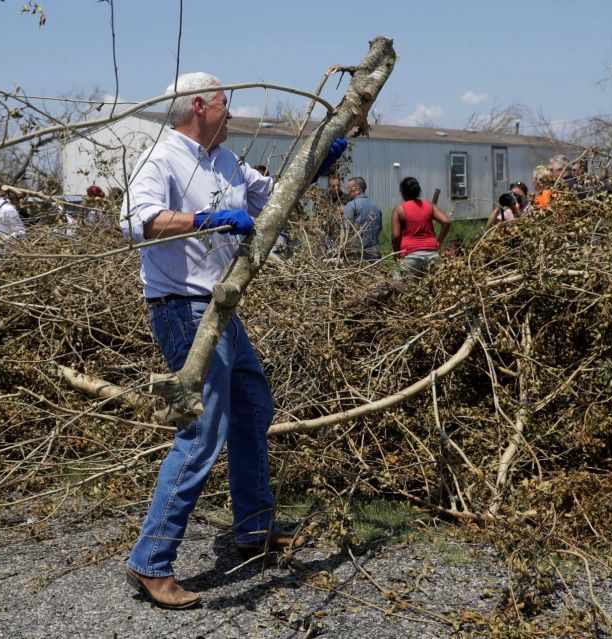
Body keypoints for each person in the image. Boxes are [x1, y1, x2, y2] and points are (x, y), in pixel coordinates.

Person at [119, 70, 344, 610]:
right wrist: (205, 218)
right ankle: (150, 561)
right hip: (182, 308)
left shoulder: (224, 158)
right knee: (202, 431)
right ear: (200, 105)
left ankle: (252, 528)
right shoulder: (163, 158)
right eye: (226, 104)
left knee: (251, 406)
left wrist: (320, 160)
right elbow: (134, 220)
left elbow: (273, 193)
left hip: (222, 305)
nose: (232, 113)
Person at [391, 176, 450, 276]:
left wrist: (397, 253)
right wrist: (439, 241)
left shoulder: (399, 209)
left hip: (410, 255)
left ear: (402, 192)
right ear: (418, 190)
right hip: (432, 254)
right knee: (434, 288)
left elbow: (396, 236)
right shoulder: (429, 205)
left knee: (404, 288)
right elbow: (446, 222)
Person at [342, 176, 383, 262]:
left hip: (357, 254)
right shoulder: (376, 207)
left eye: (349, 189)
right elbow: (379, 229)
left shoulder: (351, 205)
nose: (348, 191)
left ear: (358, 190)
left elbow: (346, 231)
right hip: (375, 253)